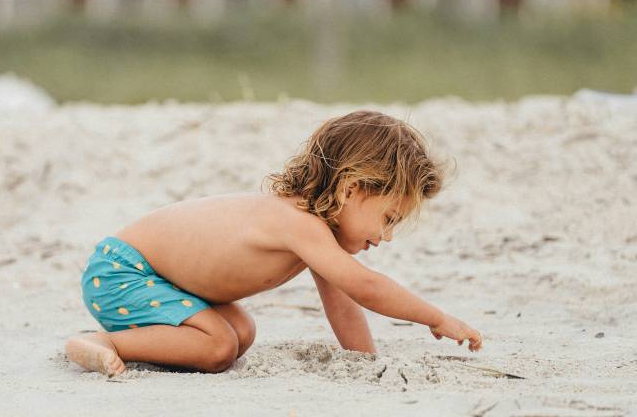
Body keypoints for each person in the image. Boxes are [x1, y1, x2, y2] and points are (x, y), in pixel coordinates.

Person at [65, 110, 483, 377]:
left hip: (164, 282)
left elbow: (342, 304)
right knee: (219, 346)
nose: (387, 235)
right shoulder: (296, 222)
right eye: (388, 218)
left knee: (241, 332)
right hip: (124, 273)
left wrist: (367, 366)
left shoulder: (317, 232)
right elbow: (365, 286)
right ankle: (103, 342)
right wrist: (435, 318)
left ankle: (143, 343)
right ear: (352, 189)